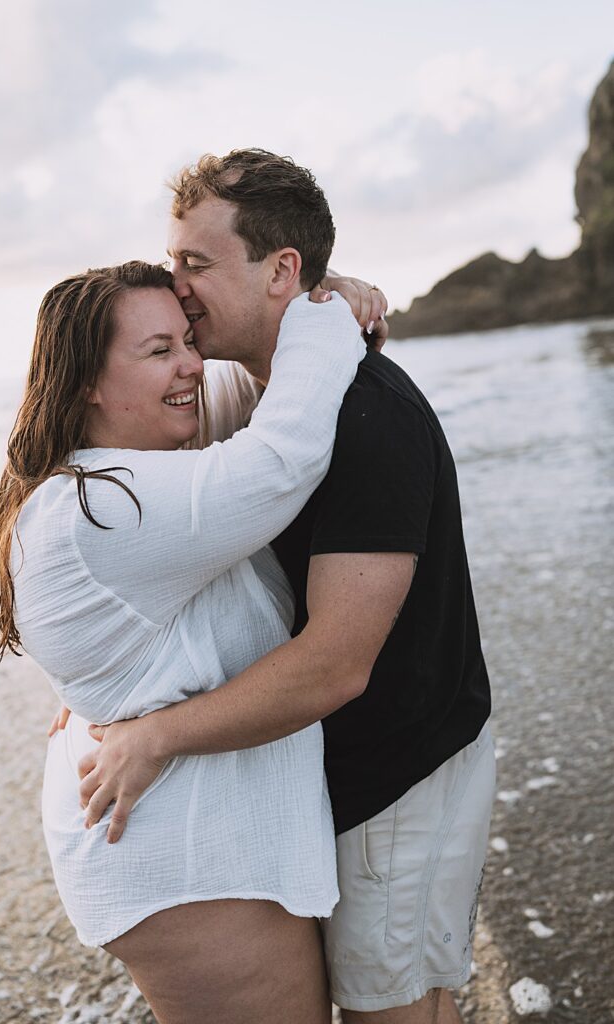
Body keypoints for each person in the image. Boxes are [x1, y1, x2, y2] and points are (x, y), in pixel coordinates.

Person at [76, 150, 495, 1024]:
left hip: (401, 777)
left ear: (281, 270)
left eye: (195, 262)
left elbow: (335, 664)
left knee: (397, 1008)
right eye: (172, 259)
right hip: (330, 779)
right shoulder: (256, 395)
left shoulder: (366, 418)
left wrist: (156, 736)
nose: (175, 283)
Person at [0, 257, 372, 1024]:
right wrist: (325, 318)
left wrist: (317, 291)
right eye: (158, 351)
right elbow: (280, 460)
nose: (191, 364)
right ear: (86, 383)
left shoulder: (131, 472)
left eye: (187, 340)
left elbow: (258, 377)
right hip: (188, 865)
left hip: (198, 846)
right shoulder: (103, 506)